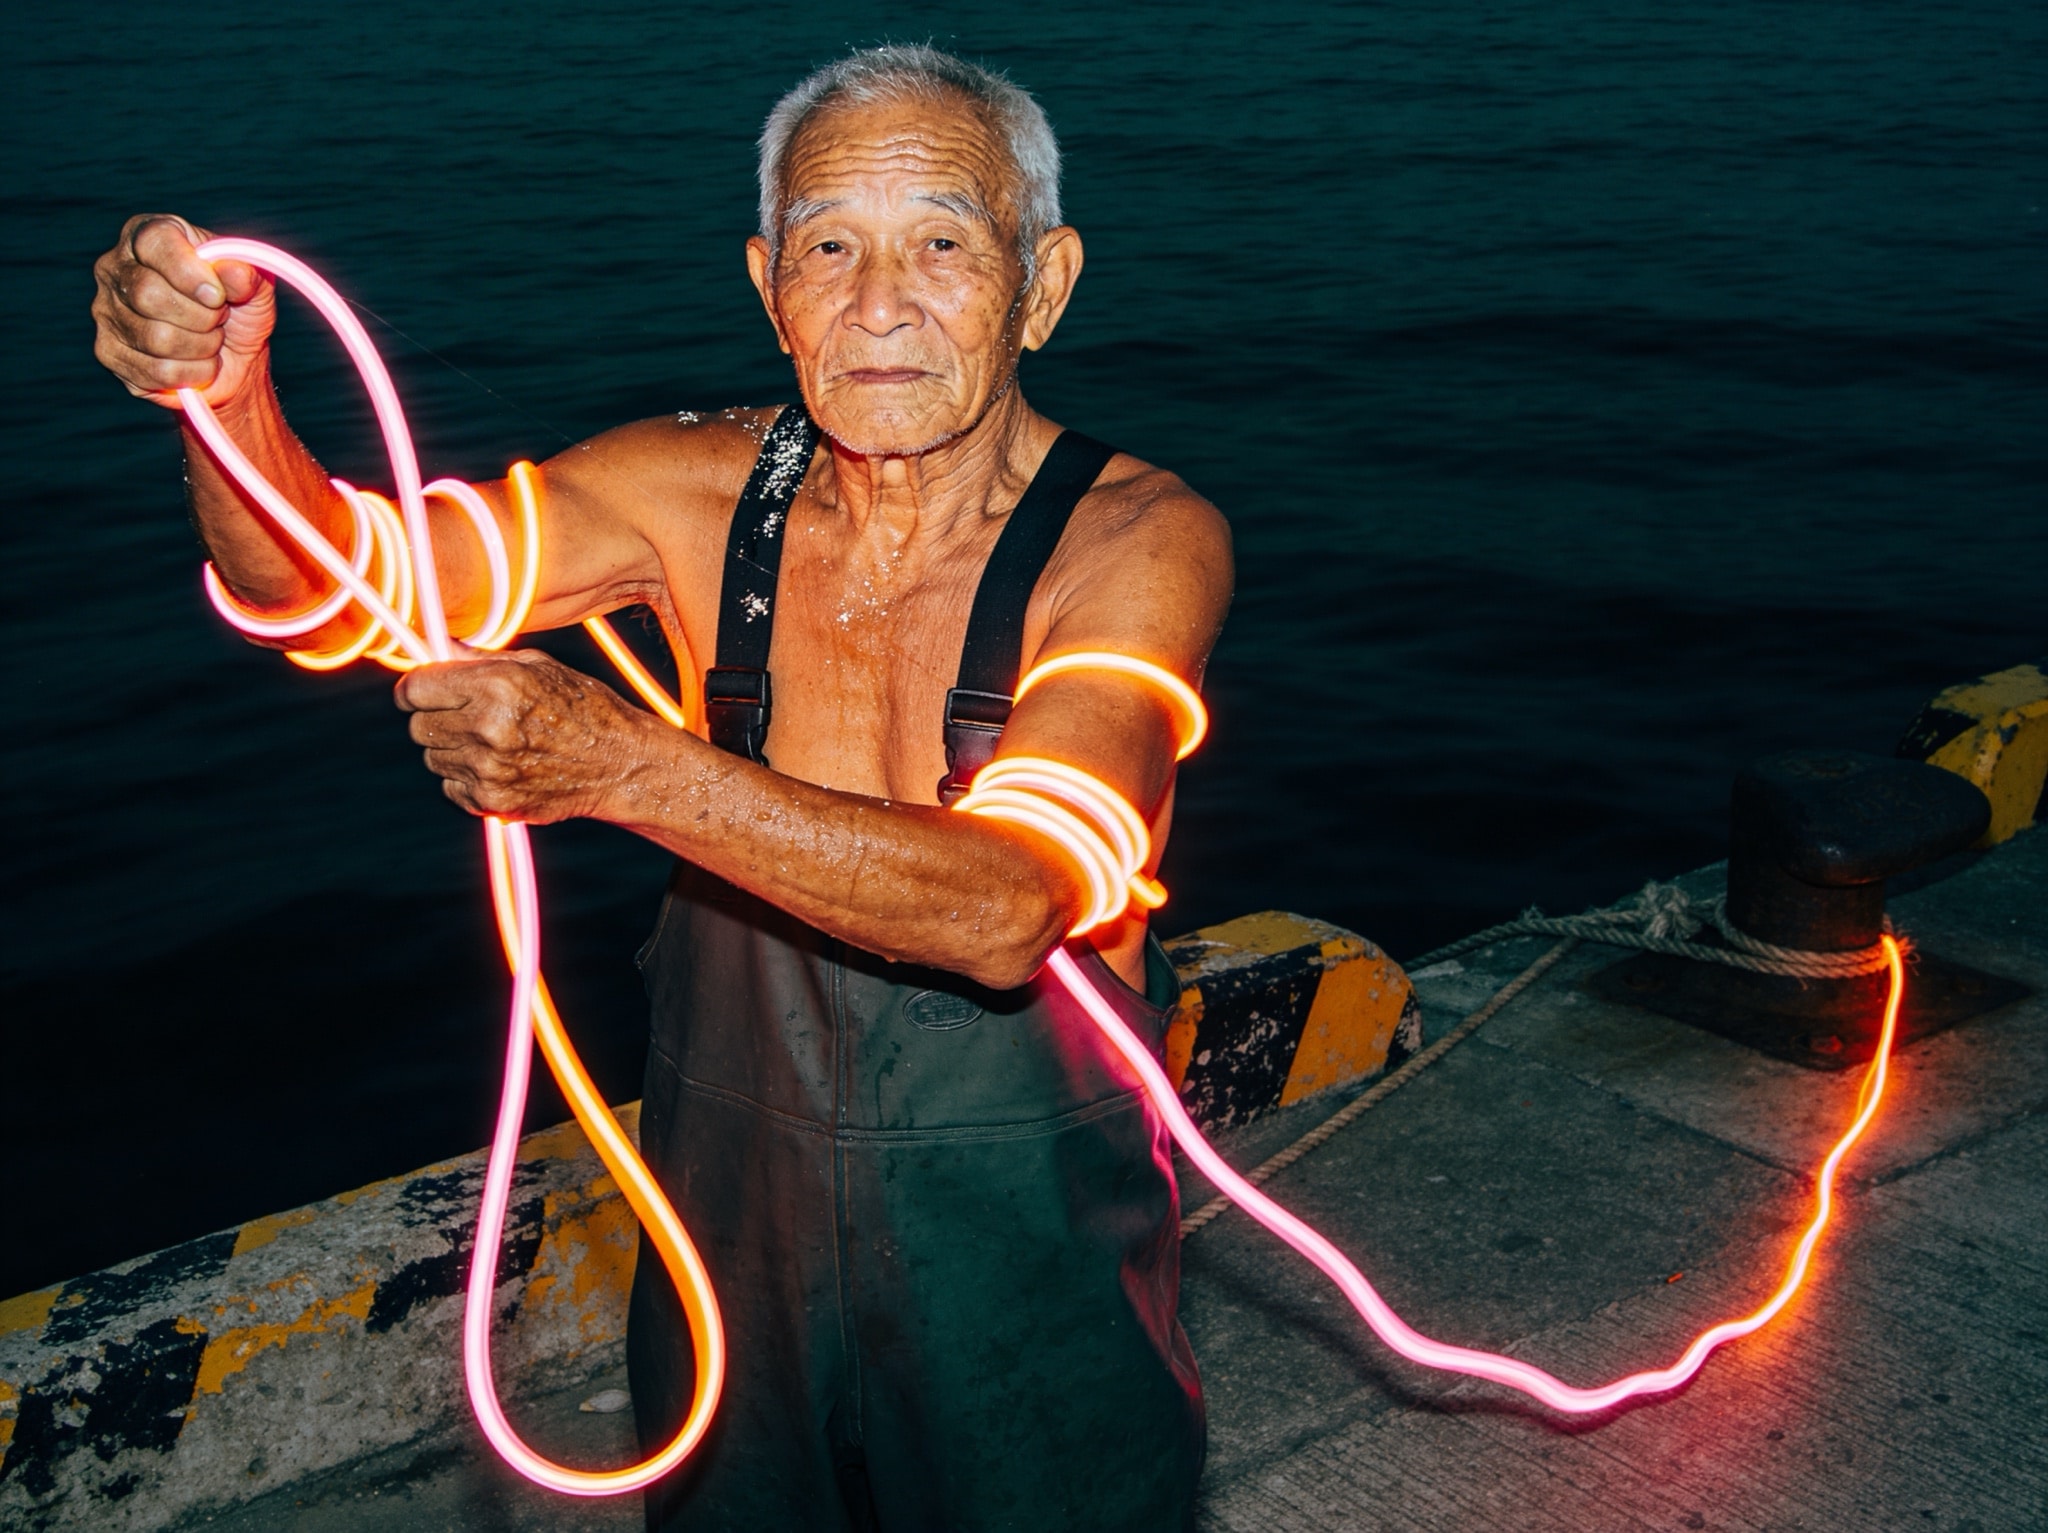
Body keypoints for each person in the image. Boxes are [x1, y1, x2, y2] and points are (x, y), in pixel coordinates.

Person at [91, 44, 1231, 1532]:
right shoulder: (690, 493)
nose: (879, 303)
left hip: (1027, 1249)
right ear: (770, 285)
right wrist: (225, 404)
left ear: (1045, 280)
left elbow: (1008, 905)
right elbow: (332, 590)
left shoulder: (1138, 539)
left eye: (944, 243)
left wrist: (621, 763)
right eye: (831, 247)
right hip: (726, 1245)